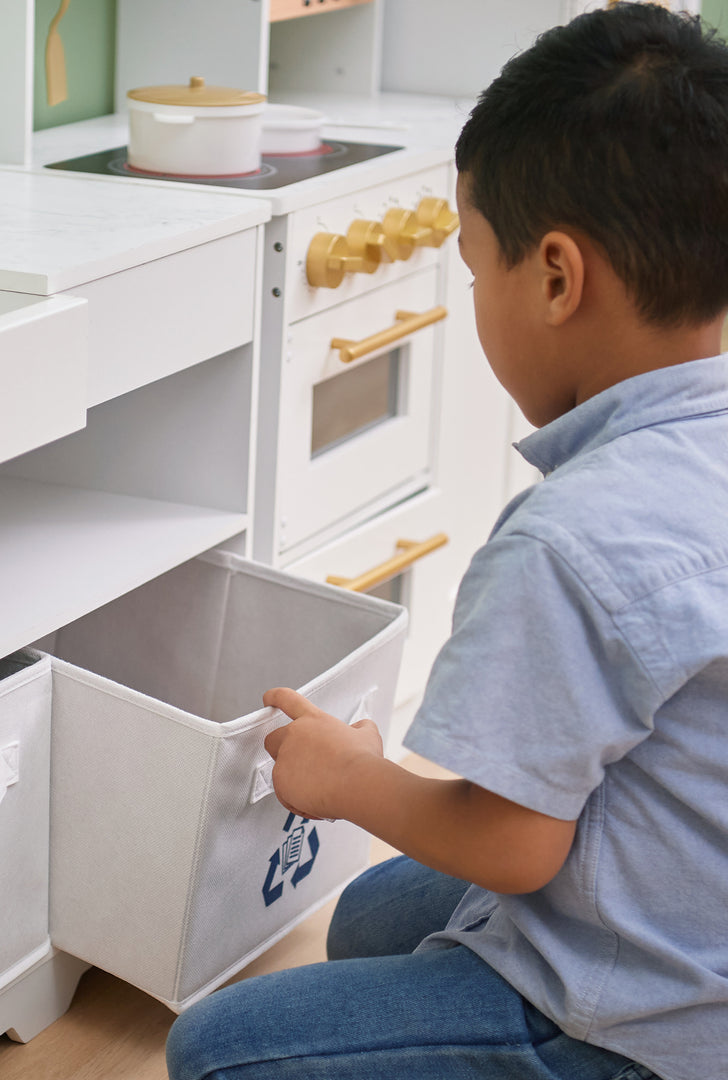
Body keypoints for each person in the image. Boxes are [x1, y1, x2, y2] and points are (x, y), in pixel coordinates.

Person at [165, 4, 728, 1079]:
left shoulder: (571, 541)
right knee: (375, 915)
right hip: (701, 909)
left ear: (557, 278)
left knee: (219, 1054)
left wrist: (353, 777)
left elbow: (517, 848)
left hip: (648, 1022)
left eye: (474, 273)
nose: (473, 299)